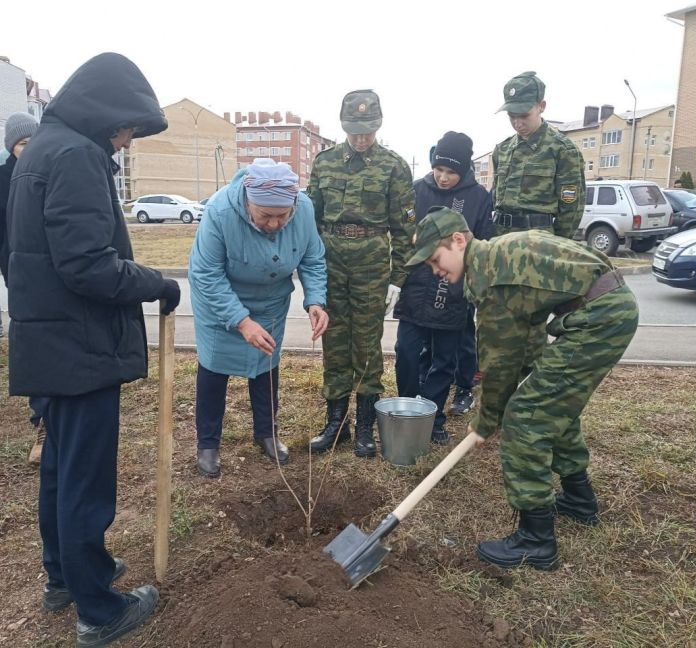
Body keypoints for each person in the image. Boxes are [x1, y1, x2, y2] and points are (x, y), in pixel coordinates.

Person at [6, 52, 180, 646]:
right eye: (127, 126)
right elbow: (87, 265)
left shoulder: (44, 151)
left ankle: (66, 577)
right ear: (105, 113)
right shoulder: (77, 156)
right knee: (83, 478)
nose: (127, 138)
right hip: (77, 345)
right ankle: (99, 611)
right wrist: (156, 282)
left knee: (59, 468)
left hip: (50, 339)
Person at [406, 207, 638, 571]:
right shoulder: (499, 254)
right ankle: (579, 499)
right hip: (602, 308)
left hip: (598, 319)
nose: (436, 271)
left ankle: (536, 540)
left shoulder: (493, 279)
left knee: (526, 418)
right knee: (550, 404)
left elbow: (499, 363)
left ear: (458, 240)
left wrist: (487, 421)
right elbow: (527, 329)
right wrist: (533, 372)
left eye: (436, 259)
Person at [188, 158, 328, 477]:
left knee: (265, 366)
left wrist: (315, 301)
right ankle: (208, 443)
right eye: (267, 215)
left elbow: (312, 258)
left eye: (283, 215)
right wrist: (241, 321)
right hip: (221, 303)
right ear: (249, 202)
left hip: (270, 301)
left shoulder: (304, 209)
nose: (276, 224)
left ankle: (266, 433)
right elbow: (205, 273)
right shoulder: (220, 212)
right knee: (214, 369)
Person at [307, 89, 415, 458]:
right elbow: (311, 220)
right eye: (355, 130)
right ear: (343, 125)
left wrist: (397, 278)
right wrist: (310, 272)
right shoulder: (325, 163)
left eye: (367, 130)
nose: (361, 138)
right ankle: (336, 423)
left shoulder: (393, 166)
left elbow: (404, 229)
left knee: (367, 343)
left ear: (379, 124)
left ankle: (366, 425)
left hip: (371, 260)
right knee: (334, 340)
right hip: (331, 257)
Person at [393, 132, 493, 444]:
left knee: (443, 360)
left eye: (451, 172)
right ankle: (407, 409)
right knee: (406, 352)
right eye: (439, 169)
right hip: (416, 286)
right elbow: (402, 232)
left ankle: (433, 418)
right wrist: (396, 279)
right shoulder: (417, 190)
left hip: (452, 290)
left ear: (463, 171)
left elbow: (483, 245)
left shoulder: (478, 197)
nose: (443, 177)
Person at [492, 71, 586, 377]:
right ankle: (502, 390)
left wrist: (557, 253)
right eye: (512, 116)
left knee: (532, 326)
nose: (518, 122)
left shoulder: (562, 150)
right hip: (504, 246)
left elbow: (571, 208)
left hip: (539, 247)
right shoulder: (503, 150)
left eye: (524, 114)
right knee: (502, 323)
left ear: (541, 106)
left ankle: (529, 393)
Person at [0, 112, 49, 465]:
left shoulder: (48, 175)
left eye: (34, 143)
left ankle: (53, 422)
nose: (29, 151)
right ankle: (42, 423)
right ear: (11, 148)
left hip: (51, 276)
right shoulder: (2, 181)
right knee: (33, 349)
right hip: (18, 278)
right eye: (22, 145)